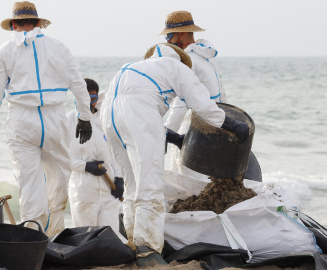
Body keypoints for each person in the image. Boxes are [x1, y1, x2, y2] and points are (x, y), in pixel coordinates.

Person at [100, 43, 249, 266]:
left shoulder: (130, 67)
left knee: (132, 183)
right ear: (179, 59)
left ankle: (131, 240)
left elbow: (137, 105)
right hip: (136, 114)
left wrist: (175, 138)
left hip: (109, 116)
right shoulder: (176, 66)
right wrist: (230, 124)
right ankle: (147, 249)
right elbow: (202, 104)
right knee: (150, 182)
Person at [0, 1, 92, 237]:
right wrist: (84, 116)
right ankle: (54, 232)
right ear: (39, 23)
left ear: (13, 24)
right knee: (60, 175)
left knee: (29, 182)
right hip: (54, 116)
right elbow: (77, 83)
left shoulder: (3, 52)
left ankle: (32, 235)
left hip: (22, 119)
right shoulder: (59, 47)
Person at [161, 10, 228, 179]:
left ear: (180, 35)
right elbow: (221, 92)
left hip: (192, 128)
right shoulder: (207, 56)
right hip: (212, 124)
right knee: (208, 177)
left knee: (184, 178)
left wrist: (166, 133)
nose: (167, 42)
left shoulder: (187, 61)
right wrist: (226, 122)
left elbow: (181, 102)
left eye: (168, 37)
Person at [66, 78, 125, 240]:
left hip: (109, 189)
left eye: (92, 99)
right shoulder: (67, 122)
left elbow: (116, 152)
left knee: (112, 237)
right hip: (83, 191)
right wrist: (85, 166)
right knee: (86, 238)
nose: (88, 103)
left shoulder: (104, 121)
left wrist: (119, 178)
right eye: (83, 98)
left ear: (97, 98)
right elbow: (61, 158)